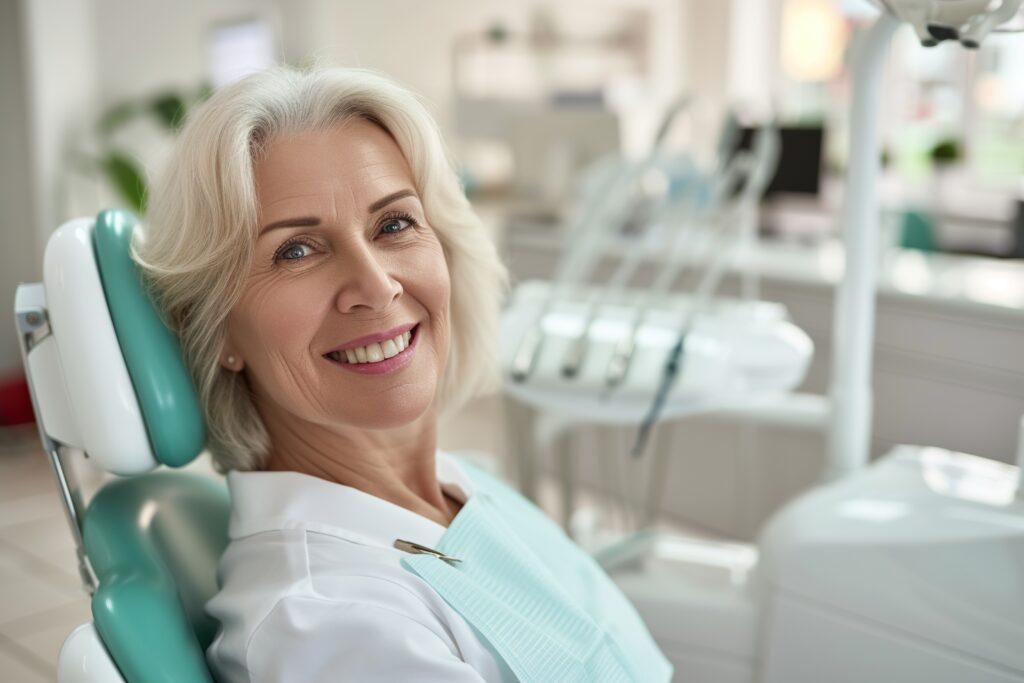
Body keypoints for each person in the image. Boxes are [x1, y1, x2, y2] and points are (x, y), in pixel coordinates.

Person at [135, 66, 672, 682]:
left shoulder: (456, 487)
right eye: (297, 251)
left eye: (394, 224)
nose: (375, 285)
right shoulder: (330, 625)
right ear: (219, 327)